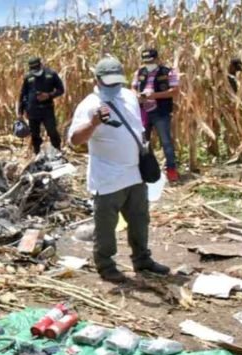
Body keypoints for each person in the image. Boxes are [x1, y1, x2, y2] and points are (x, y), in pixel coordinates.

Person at [68, 56, 170, 283]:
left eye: (117, 81)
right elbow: (74, 140)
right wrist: (94, 123)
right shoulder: (89, 105)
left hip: (135, 174)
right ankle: (106, 266)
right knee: (106, 227)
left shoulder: (128, 96)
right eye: (109, 81)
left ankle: (142, 260)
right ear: (97, 79)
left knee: (140, 221)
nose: (114, 85)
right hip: (108, 178)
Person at [131, 48, 181, 182]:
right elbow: (133, 87)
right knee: (143, 142)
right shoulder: (139, 72)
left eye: (151, 61)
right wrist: (137, 95)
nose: (148, 64)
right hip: (143, 112)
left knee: (166, 142)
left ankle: (171, 170)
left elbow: (175, 91)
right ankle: (146, 170)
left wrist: (154, 95)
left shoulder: (168, 72)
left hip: (161, 112)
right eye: (146, 61)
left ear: (157, 59)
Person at [17, 57, 65, 155]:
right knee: (35, 134)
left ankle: (57, 152)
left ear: (41, 64)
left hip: (47, 109)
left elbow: (61, 90)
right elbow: (23, 94)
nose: (36, 71)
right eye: (33, 69)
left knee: (52, 131)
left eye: (37, 68)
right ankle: (37, 154)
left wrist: (49, 95)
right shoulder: (28, 77)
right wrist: (20, 112)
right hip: (32, 110)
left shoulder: (51, 74)